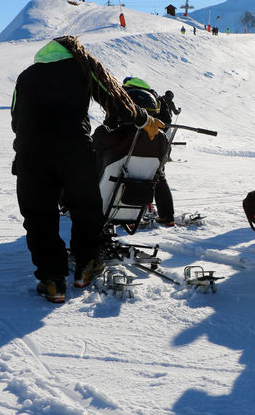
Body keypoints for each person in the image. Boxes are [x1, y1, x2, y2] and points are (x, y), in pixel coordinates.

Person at [11, 36, 164, 303]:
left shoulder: (26, 76)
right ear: (75, 51)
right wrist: (144, 119)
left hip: (30, 153)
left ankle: (52, 281)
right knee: (86, 208)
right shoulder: (83, 67)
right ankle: (86, 267)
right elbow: (116, 99)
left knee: (39, 216)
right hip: (74, 150)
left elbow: (15, 119)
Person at [120, 77, 176, 226]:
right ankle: (168, 216)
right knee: (158, 176)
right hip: (157, 141)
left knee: (124, 175)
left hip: (130, 141)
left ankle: (127, 216)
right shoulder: (154, 96)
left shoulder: (127, 94)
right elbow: (166, 121)